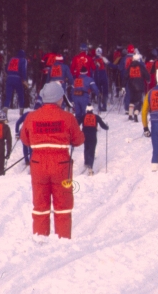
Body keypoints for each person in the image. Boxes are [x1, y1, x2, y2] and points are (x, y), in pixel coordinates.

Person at [19, 82, 85, 239]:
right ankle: (63, 241)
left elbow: (24, 139)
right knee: (63, 206)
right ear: (59, 99)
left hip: (38, 165)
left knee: (40, 206)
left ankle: (40, 241)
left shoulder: (31, 117)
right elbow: (78, 140)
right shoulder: (68, 117)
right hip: (61, 166)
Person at [80, 104, 109, 175]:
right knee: (91, 150)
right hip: (93, 136)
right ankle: (90, 167)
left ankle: (86, 162)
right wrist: (107, 127)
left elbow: (77, 123)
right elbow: (103, 125)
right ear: (92, 110)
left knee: (86, 148)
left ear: (86, 110)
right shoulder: (96, 117)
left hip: (84, 135)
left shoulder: (83, 116)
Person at [16, 97, 41, 170]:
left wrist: (17, 132)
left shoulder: (27, 114)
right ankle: (31, 160)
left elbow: (18, 122)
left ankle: (27, 160)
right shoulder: (40, 116)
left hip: (23, 132)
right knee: (31, 146)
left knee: (25, 145)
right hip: (31, 133)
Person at [126, 53, 150, 122]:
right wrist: (148, 79)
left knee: (132, 100)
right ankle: (136, 113)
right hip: (139, 86)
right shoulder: (141, 67)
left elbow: (125, 76)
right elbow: (146, 74)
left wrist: (123, 85)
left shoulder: (130, 67)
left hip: (131, 85)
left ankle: (130, 114)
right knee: (139, 101)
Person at [4, 49, 29, 116]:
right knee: (20, 95)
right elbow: (23, 70)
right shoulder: (23, 60)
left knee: (8, 96)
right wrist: (24, 79)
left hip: (9, 78)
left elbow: (6, 68)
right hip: (18, 78)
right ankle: (21, 112)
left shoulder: (12, 59)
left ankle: (4, 112)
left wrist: (9, 73)